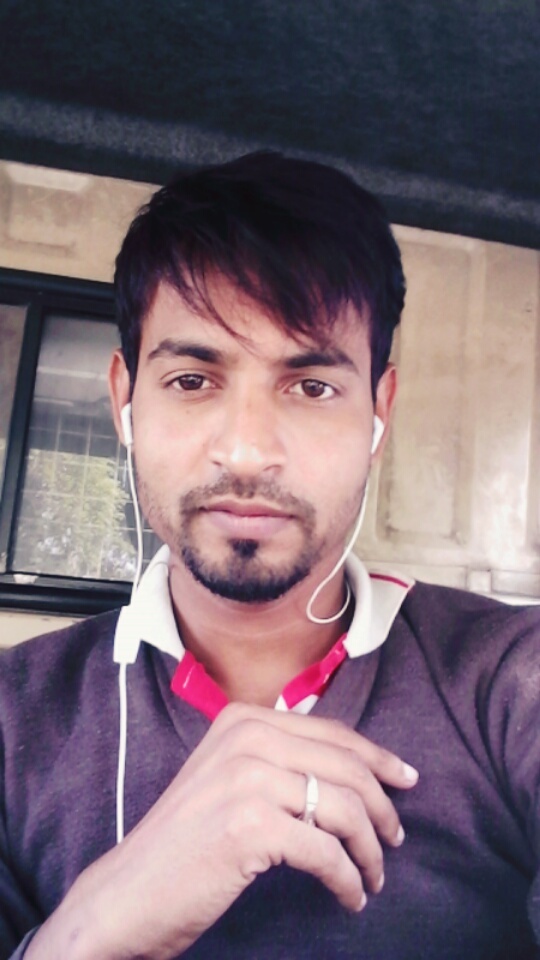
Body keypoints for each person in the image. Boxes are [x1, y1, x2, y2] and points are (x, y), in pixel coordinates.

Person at [0, 151, 539, 960]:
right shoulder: (11, 717)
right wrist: (86, 932)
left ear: (378, 414)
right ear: (124, 402)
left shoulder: (508, 677)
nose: (248, 451)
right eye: (191, 380)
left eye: (312, 386)